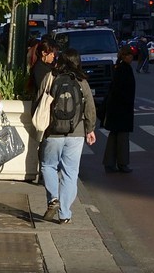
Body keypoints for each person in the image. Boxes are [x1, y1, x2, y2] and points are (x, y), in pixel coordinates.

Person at [39, 51, 97, 225]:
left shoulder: (51, 78)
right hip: (76, 132)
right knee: (70, 172)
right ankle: (65, 214)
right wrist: (90, 129)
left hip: (53, 131)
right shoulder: (82, 82)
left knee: (48, 165)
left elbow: (39, 101)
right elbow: (90, 107)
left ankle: (53, 198)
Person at [28, 40, 59, 186]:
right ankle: (43, 173)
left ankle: (44, 172)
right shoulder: (41, 69)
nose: (54, 56)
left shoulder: (44, 67)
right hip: (43, 108)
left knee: (44, 142)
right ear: (43, 53)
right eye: (52, 53)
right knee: (43, 142)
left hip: (43, 107)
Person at [102, 45, 136, 174]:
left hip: (116, 108)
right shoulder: (124, 69)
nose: (131, 57)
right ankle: (122, 163)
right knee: (122, 137)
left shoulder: (120, 68)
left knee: (114, 136)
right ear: (124, 56)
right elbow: (122, 90)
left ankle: (110, 163)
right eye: (129, 55)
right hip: (122, 108)